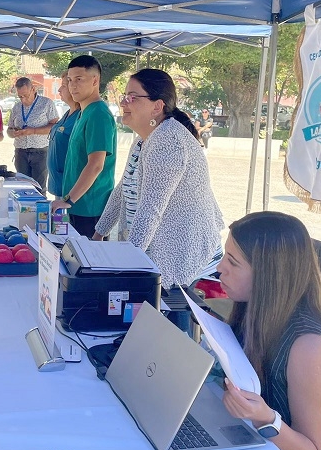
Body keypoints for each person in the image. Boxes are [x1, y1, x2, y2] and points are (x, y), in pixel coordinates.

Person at [217, 211, 321, 450]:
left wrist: (264, 418)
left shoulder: (310, 347)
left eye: (232, 262)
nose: (219, 268)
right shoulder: (255, 308)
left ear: (268, 275)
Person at [93, 69, 223, 288]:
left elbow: (151, 208)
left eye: (132, 97)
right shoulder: (143, 140)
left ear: (157, 106)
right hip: (159, 259)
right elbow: (122, 190)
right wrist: (98, 235)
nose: (124, 103)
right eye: (124, 96)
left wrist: (128, 264)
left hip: (189, 268)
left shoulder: (167, 140)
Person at [50, 55, 116, 238]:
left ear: (95, 80)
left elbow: (96, 165)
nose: (73, 86)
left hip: (90, 208)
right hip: (76, 204)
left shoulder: (99, 114)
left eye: (79, 79)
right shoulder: (83, 112)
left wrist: (69, 200)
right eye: (70, 80)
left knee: (88, 263)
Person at [7, 77, 58, 192]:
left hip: (40, 152)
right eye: (20, 96)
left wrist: (33, 131)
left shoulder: (46, 103)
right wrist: (13, 133)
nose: (23, 99)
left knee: (38, 188)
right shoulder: (16, 107)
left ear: (33, 89)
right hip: (21, 152)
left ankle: (41, 210)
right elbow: (9, 129)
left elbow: (54, 127)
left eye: (26, 95)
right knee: (22, 188)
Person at [47, 70, 80, 197]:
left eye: (64, 86)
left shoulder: (80, 116)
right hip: (58, 184)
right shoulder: (67, 113)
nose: (59, 90)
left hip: (70, 188)